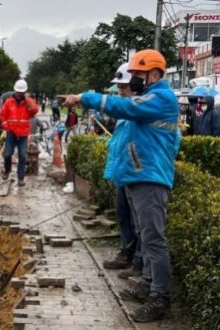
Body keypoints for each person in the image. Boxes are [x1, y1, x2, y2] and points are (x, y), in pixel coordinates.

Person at [61, 49, 180, 323]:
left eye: (138, 75)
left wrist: (85, 98)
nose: (134, 80)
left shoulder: (161, 98)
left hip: (150, 178)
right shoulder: (148, 97)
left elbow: (125, 107)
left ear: (154, 74)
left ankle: (159, 298)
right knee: (145, 236)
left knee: (153, 240)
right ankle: (149, 285)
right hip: (138, 177)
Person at [101, 63, 142, 280]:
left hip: (137, 174)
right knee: (123, 215)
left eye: (124, 87)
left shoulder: (143, 110)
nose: (120, 91)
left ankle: (138, 262)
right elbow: (119, 144)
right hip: (123, 173)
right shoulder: (126, 112)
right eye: (119, 87)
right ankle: (126, 252)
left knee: (138, 221)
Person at [0, 79, 38, 187]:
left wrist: (28, 101)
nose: (19, 94)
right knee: (7, 154)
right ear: (15, 91)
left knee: (22, 156)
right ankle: (7, 170)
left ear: (25, 92)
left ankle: (20, 178)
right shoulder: (9, 102)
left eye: (22, 92)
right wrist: (6, 126)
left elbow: (34, 111)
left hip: (23, 134)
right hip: (11, 132)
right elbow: (2, 116)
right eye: (18, 92)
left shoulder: (29, 101)